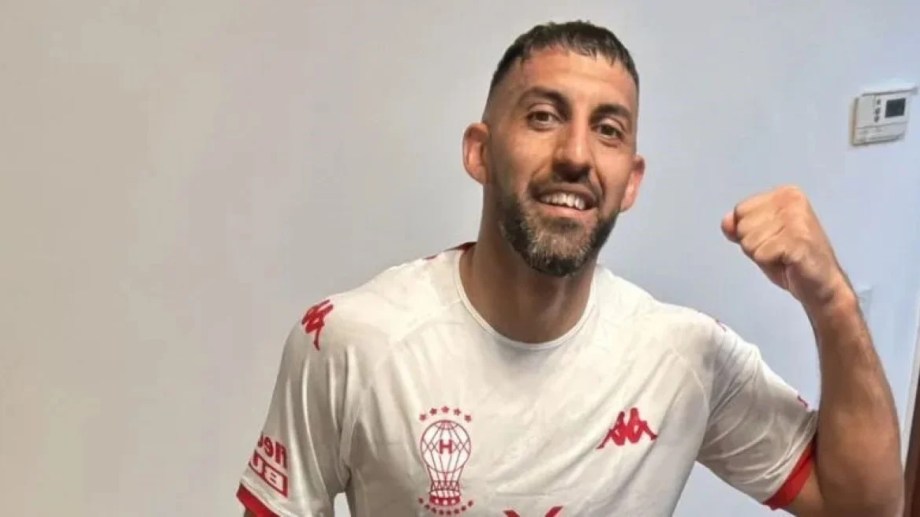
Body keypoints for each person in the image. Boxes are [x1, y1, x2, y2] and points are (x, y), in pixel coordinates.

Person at [236, 20, 903, 516]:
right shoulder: (349, 341)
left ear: (630, 180)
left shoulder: (687, 357)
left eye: (609, 130)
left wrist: (832, 302)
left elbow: (866, 509)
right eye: (543, 116)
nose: (577, 154)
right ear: (479, 152)